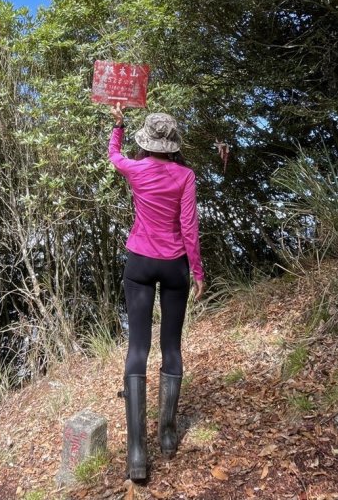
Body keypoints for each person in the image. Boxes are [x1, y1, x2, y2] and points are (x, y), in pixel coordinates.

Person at [108, 102, 205, 481]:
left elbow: (115, 156)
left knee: (137, 349)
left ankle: (136, 453)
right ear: (174, 144)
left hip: (140, 263)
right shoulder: (185, 176)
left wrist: (118, 124)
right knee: (172, 348)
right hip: (175, 263)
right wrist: (197, 272)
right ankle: (166, 435)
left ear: (148, 142)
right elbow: (189, 227)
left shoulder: (135, 169)